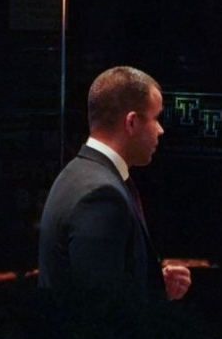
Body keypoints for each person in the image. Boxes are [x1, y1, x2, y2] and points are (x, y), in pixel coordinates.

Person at [38, 66, 191, 300]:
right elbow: (101, 309)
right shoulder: (101, 196)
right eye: (156, 118)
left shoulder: (78, 172)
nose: (160, 130)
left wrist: (154, 286)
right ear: (131, 123)